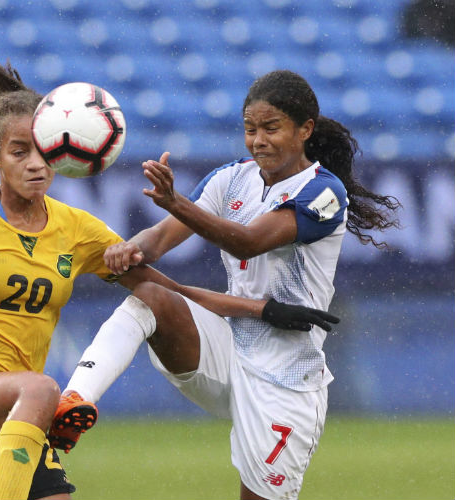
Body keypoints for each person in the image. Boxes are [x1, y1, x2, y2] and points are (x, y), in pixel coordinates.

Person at [0, 48, 337, 500]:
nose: (35, 165)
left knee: (48, 388)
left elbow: (163, 292)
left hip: (21, 420)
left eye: (42, 153)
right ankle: (69, 399)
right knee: (42, 388)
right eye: (19, 152)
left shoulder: (78, 231)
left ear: (63, 153)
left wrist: (261, 309)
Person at [51, 70, 400, 500]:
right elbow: (158, 241)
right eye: (250, 129)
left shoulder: (324, 194)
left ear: (305, 129)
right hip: (227, 348)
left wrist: (175, 202)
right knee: (150, 299)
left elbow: (248, 241)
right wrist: (131, 249)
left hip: (286, 377)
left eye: (271, 128)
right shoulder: (231, 178)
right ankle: (73, 399)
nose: (258, 140)